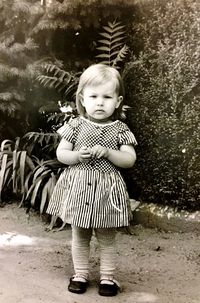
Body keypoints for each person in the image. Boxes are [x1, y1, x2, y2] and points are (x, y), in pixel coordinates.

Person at [46, 64, 137, 296]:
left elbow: (129, 159)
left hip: (107, 191)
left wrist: (108, 152)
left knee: (107, 236)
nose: (99, 102)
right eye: (93, 96)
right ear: (82, 99)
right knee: (80, 234)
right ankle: (81, 275)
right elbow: (61, 154)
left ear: (117, 101)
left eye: (107, 97)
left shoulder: (120, 129)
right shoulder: (76, 125)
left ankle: (107, 278)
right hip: (79, 189)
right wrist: (76, 156)